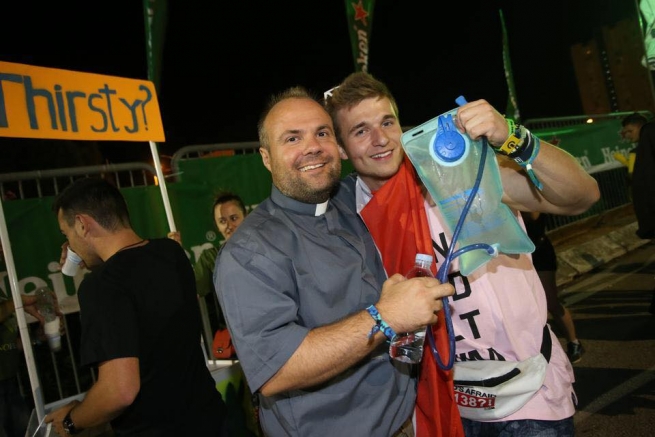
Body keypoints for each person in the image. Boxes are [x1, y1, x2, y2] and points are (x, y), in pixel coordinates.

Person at [324, 72, 600, 436]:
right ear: (342, 148)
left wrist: (515, 137)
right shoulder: (351, 215)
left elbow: (583, 196)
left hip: (528, 398)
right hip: (445, 406)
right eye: (360, 131)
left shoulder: (459, 169)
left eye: (387, 122)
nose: (381, 139)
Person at [214, 86, 456, 436]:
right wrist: (384, 317)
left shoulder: (348, 200)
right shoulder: (249, 252)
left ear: (338, 147)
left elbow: (382, 148)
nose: (312, 146)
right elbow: (276, 370)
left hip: (411, 419)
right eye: (292, 138)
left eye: (322, 133)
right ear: (267, 158)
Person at [45, 177, 228, 437]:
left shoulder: (101, 287)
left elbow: (119, 391)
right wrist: (94, 263)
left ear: (83, 224)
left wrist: (72, 421)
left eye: (68, 235)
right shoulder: (171, 253)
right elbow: (134, 275)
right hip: (208, 418)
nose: (69, 246)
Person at [520, 211, 585, 363]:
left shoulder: (526, 192)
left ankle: (573, 342)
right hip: (517, 255)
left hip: (539, 250)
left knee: (550, 301)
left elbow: (533, 215)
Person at [621, 112, 655, 239]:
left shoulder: (650, 135)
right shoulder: (638, 151)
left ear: (641, 127)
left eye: (630, 131)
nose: (628, 136)